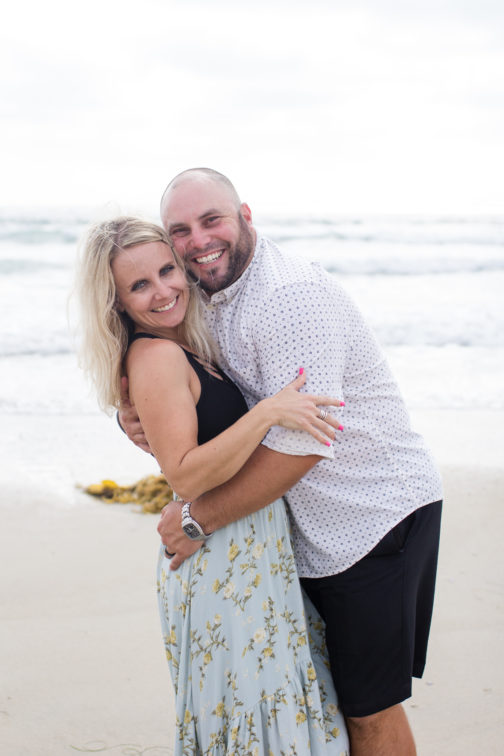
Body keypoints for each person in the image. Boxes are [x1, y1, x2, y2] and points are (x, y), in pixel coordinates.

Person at [119, 168, 443, 756]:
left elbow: (303, 445)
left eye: (211, 220)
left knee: (367, 710)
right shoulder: (204, 299)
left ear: (245, 215)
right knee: (324, 703)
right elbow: (200, 399)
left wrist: (198, 519)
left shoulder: (288, 296)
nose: (197, 240)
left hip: (370, 518)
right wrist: (135, 414)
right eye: (181, 231)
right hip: (302, 532)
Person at [77, 217, 350, 754]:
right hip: (220, 560)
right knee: (255, 728)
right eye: (139, 285)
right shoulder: (155, 354)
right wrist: (268, 413)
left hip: (249, 554)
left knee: (275, 721)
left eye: (166, 270)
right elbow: (183, 472)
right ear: (118, 304)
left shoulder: (188, 347)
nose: (163, 291)